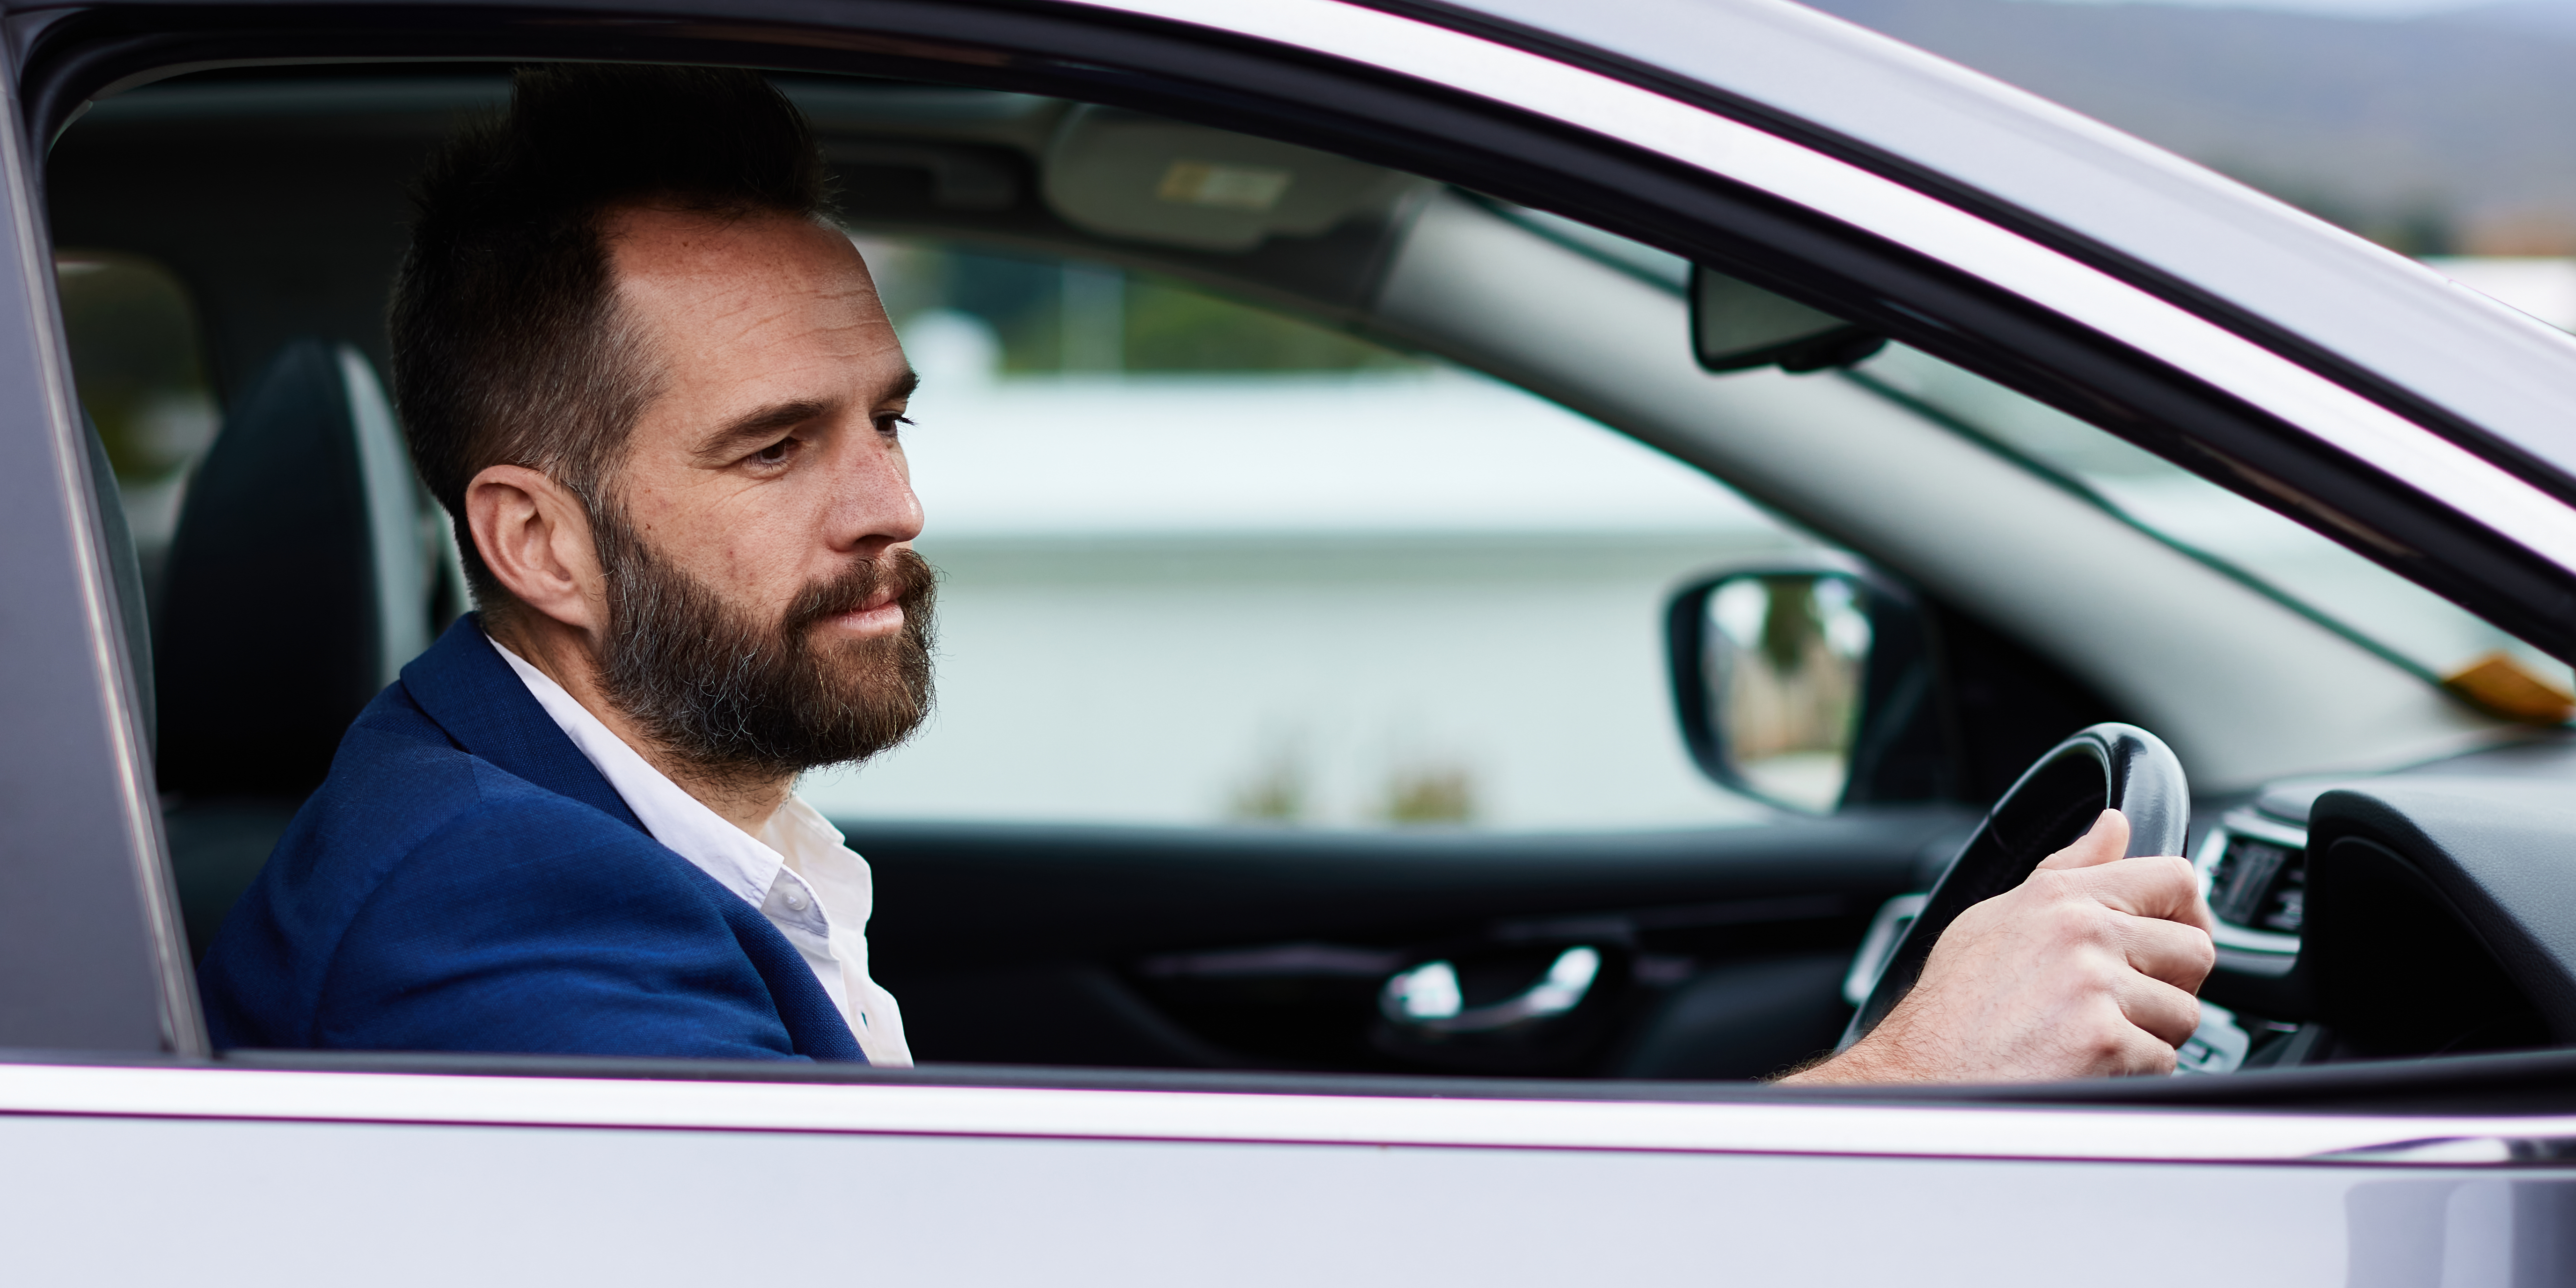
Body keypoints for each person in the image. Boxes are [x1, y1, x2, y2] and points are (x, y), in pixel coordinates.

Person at [198, 66, 2213, 1078]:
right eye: (773, 446)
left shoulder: (626, 821)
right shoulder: (497, 913)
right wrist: (1888, 1085)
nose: (885, 503)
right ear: (532, 537)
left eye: (882, 417)